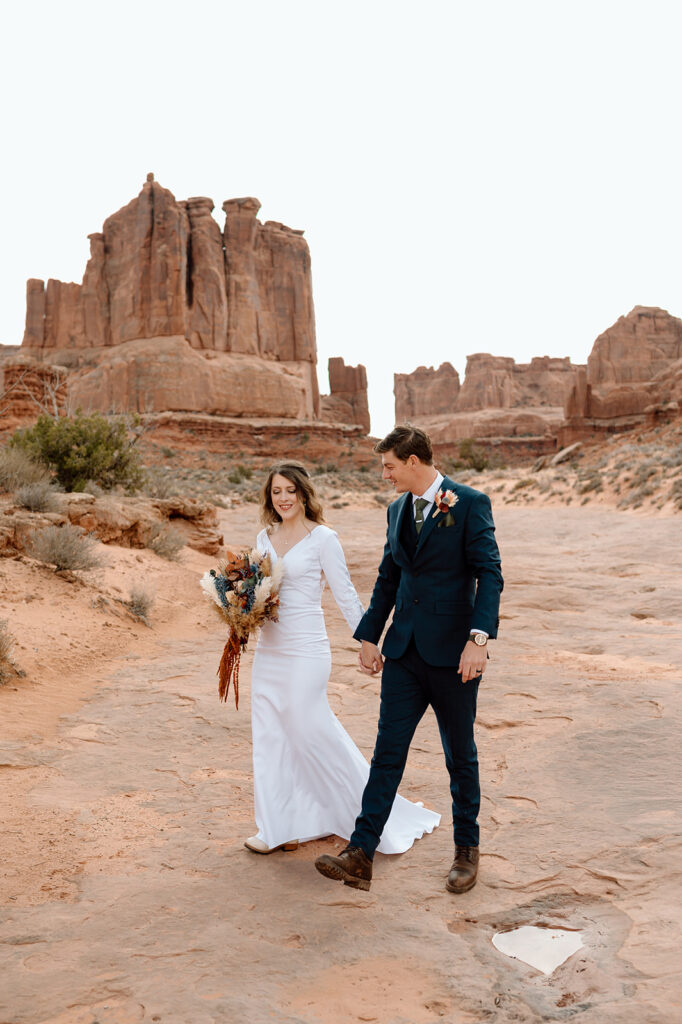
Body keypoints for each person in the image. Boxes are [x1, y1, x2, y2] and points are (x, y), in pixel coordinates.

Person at [315, 425, 503, 893]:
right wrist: (369, 636)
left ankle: (466, 852)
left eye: (389, 466)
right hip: (403, 653)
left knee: (460, 756)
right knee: (386, 755)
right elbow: (388, 578)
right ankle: (360, 853)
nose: (385, 475)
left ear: (413, 461)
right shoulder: (396, 509)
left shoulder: (470, 503)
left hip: (453, 656)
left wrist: (478, 640)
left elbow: (489, 574)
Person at [244, 460, 440, 861]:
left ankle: (371, 814)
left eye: (290, 491)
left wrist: (368, 640)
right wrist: (239, 619)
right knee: (270, 735)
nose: (283, 498)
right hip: (270, 651)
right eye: (276, 492)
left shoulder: (323, 538)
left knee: (310, 729)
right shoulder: (263, 538)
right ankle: (277, 828)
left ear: (303, 493)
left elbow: (345, 594)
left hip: (306, 651)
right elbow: (252, 591)